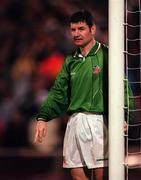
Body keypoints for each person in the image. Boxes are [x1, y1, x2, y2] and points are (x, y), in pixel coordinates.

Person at [34, 10, 134, 180]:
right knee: (77, 175)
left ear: (92, 29)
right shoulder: (70, 61)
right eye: (73, 30)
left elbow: (123, 87)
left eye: (81, 28)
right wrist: (42, 118)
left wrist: (125, 115)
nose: (77, 33)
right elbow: (58, 92)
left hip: (98, 121)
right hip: (74, 122)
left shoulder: (108, 55)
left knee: (101, 176)